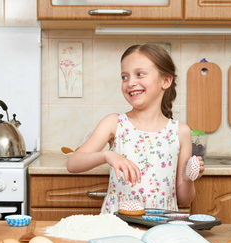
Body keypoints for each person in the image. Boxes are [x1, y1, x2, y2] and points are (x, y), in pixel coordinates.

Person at [67, 43, 205, 214]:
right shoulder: (114, 123)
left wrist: (187, 179)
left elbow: (184, 199)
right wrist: (107, 155)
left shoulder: (180, 131)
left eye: (140, 74)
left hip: (160, 226)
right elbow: (73, 164)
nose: (130, 83)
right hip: (118, 223)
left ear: (166, 81)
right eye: (125, 77)